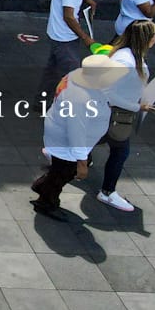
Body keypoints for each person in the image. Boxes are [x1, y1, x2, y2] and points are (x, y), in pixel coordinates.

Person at [31, 54, 129, 219]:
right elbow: (76, 133)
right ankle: (47, 202)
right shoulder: (79, 99)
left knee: (59, 170)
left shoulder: (76, 77)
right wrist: (82, 164)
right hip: (65, 142)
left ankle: (43, 186)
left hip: (61, 133)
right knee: (64, 172)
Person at [95, 20, 155, 212]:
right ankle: (107, 192)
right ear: (146, 39)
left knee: (97, 139)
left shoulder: (126, 56)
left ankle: (61, 152)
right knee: (121, 151)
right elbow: (109, 92)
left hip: (106, 112)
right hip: (114, 114)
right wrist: (138, 106)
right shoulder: (127, 62)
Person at [38, 0, 99, 106]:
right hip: (65, 38)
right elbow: (69, 16)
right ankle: (65, 108)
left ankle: (42, 101)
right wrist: (86, 39)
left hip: (56, 34)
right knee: (73, 76)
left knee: (52, 71)